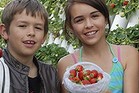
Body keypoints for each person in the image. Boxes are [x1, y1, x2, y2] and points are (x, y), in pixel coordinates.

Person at [57, 0, 139, 93]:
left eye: (95, 16)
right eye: (79, 20)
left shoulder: (128, 55)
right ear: (71, 27)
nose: (89, 25)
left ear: (106, 18)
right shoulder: (66, 64)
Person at [0, 0, 61, 93]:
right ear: (4, 31)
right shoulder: (1, 71)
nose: (31, 33)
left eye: (38, 28)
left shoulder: (51, 74)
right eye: (22, 26)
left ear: (44, 37)